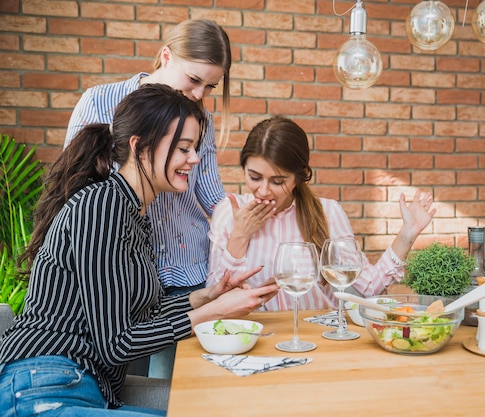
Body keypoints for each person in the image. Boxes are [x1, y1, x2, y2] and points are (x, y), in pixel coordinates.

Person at [0, 84, 279, 417]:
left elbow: (142, 313)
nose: (194, 159)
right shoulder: (102, 206)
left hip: (81, 388)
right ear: (140, 147)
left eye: (195, 148)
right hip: (41, 385)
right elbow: (118, 343)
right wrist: (213, 314)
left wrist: (208, 296)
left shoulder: (134, 215)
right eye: (184, 148)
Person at [64, 19, 232, 378]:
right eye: (194, 80)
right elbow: (76, 188)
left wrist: (240, 221)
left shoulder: (201, 117)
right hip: (123, 273)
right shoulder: (100, 102)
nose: (200, 95)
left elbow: (211, 190)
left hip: (187, 269)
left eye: (210, 86)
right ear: (167, 57)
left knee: (180, 388)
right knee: (125, 374)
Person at [207, 116, 436, 311]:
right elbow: (214, 299)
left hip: (317, 338)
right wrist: (240, 235)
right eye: (254, 177)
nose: (264, 190)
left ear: (299, 176)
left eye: (278, 181)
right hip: (253, 337)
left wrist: (407, 233)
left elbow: (368, 288)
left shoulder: (328, 213)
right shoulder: (229, 210)